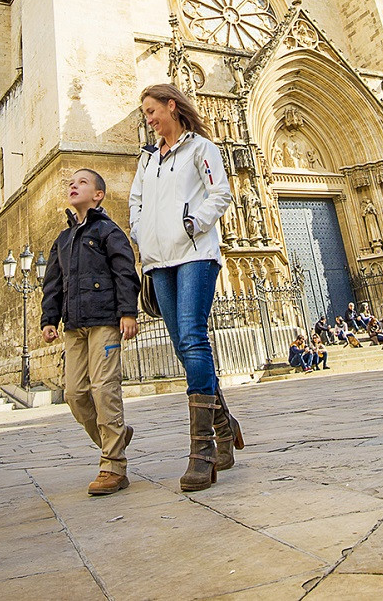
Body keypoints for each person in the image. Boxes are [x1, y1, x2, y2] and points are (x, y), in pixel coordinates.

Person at [130, 83, 238, 493]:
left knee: (193, 340)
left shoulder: (201, 149)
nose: (148, 118)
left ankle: (202, 451)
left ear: (171, 106)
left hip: (195, 255)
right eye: (144, 112)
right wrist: (142, 233)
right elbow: (135, 201)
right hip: (159, 261)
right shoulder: (147, 159)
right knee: (182, 346)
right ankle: (225, 426)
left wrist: (193, 223)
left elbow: (220, 193)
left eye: (152, 110)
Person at [41, 168, 140, 496]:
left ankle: (113, 465)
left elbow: (125, 272)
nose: (73, 185)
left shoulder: (108, 230)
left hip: (104, 324)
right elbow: (52, 284)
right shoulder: (63, 240)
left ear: (98, 195)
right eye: (71, 182)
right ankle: (115, 438)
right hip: (74, 327)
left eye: (82, 182)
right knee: (75, 394)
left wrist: (128, 312)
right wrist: (48, 320)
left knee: (104, 388)